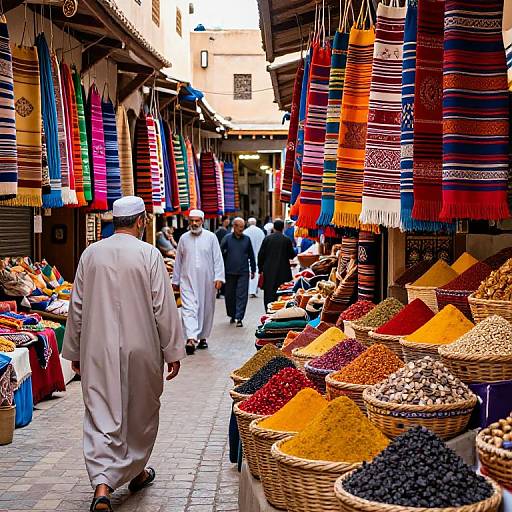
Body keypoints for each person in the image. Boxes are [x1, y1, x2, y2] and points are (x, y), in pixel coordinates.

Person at [62, 196, 185, 512]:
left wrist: (74, 349)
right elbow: (163, 307)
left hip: (97, 349)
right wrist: (173, 350)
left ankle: (104, 486)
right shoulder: (149, 254)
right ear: (141, 221)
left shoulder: (91, 254)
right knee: (139, 412)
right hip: (141, 347)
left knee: (101, 413)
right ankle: (136, 470)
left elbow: (77, 307)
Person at [172, 209, 225, 354]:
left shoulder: (211, 237)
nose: (194, 223)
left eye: (197, 221)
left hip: (207, 281)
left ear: (202, 221)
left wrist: (219, 277)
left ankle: (202, 338)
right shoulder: (183, 238)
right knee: (188, 309)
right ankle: (191, 338)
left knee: (205, 309)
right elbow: (178, 260)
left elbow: (217, 258)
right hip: (187, 280)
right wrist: (175, 279)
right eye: (192, 221)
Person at [220, 217, 256, 327]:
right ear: (234, 226)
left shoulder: (247, 239)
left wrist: (253, 269)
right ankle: (232, 314)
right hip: (229, 271)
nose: (241, 230)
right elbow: (220, 255)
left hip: (243, 272)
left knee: (242, 295)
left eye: (242, 228)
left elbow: (251, 255)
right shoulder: (227, 239)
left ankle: (239, 317)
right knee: (230, 295)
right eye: (239, 227)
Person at [258, 218, 296, 311]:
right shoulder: (286, 240)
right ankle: (280, 312)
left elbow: (261, 255)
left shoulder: (267, 239)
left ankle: (268, 311)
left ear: (273, 228)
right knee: (282, 293)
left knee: (269, 293)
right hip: (283, 271)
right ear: (283, 228)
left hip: (268, 271)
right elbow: (291, 255)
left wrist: (260, 269)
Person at [244, 217, 265, 298]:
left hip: (248, 255)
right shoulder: (260, 232)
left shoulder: (246, 232)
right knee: (255, 272)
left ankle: (250, 290)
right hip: (258, 254)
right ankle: (253, 290)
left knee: (250, 272)